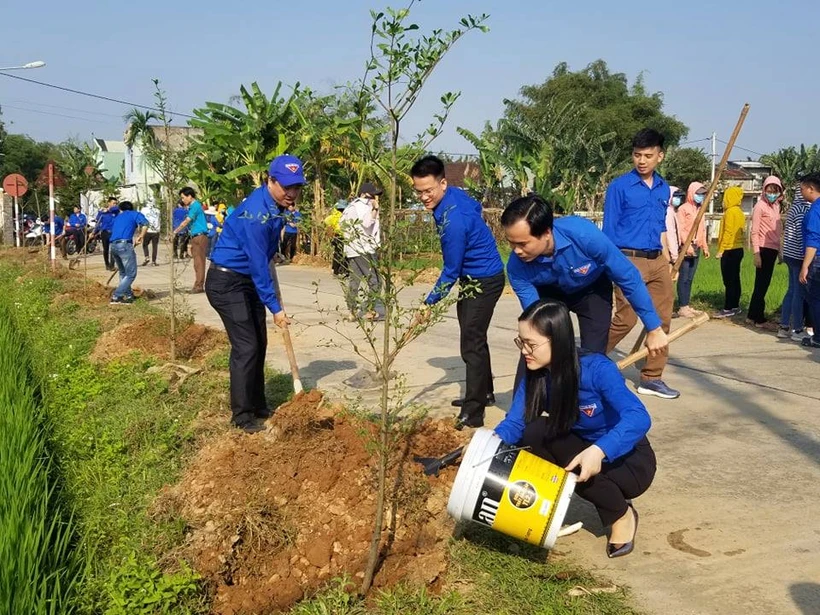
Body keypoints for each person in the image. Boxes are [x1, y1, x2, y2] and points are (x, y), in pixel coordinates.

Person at [494, 300, 655, 558]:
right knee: (533, 432)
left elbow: (638, 417)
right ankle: (539, 509)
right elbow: (515, 421)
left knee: (574, 457)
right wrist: (487, 445)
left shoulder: (597, 370)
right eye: (520, 342)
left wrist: (600, 450)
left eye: (531, 344)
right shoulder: (536, 373)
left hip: (629, 462)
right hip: (579, 447)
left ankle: (621, 515)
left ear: (557, 340)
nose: (524, 350)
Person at [206, 154, 306, 433]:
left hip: (245, 280)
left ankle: (259, 404)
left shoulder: (274, 205)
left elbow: (264, 257)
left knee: (259, 343)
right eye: (286, 186)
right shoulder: (257, 215)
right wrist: (275, 307)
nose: (292, 193)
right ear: (270, 181)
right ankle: (242, 415)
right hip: (226, 282)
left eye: (297, 187)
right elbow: (258, 264)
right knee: (246, 346)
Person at [502, 194, 667, 355]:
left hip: (592, 289)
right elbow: (535, 313)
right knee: (538, 349)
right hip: (549, 294)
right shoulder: (516, 267)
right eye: (511, 243)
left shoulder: (584, 236)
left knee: (593, 355)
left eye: (522, 244)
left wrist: (654, 328)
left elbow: (628, 277)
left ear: (546, 233)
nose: (516, 251)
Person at [410, 155, 505, 430]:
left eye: (429, 191)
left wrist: (428, 304)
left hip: (483, 281)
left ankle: (473, 412)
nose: (424, 197)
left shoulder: (454, 221)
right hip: (476, 277)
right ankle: (484, 392)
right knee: (475, 336)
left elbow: (450, 270)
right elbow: (475, 208)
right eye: (419, 191)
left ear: (442, 182)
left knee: (471, 344)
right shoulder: (454, 197)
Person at [603, 128, 679, 400]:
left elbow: (661, 226)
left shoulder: (662, 187)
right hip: (627, 259)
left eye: (648, 155)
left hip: (657, 259)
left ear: (660, 156)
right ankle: (589, 360)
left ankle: (652, 377)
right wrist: (610, 265)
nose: (642, 160)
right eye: (637, 155)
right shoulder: (619, 187)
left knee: (662, 320)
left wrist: (670, 259)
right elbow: (609, 230)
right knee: (626, 318)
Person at [747, 176, 784, 328]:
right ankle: (759, 319)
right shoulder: (760, 207)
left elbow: (778, 231)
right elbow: (754, 232)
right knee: (761, 285)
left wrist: (780, 251)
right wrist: (756, 253)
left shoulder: (776, 207)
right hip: (763, 248)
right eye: (769, 190)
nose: (772, 194)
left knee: (763, 284)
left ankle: (751, 316)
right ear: (764, 190)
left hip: (773, 249)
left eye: (775, 191)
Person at [777, 185, 811, 340]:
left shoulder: (794, 208)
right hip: (798, 256)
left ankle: (784, 326)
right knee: (799, 293)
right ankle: (797, 329)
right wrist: (807, 259)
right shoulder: (803, 211)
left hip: (790, 255)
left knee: (791, 291)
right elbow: (801, 237)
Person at [675, 182, 710, 318]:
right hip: (685, 248)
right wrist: (686, 246)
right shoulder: (683, 209)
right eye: (698, 193)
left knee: (690, 278)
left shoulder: (700, 209)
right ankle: (682, 306)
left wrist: (704, 246)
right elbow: (680, 229)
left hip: (697, 247)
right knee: (683, 277)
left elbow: (702, 230)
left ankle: (687, 305)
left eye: (702, 194)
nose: (700, 196)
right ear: (691, 193)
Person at [715, 186, 746, 318]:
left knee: (728, 280)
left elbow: (728, 232)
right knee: (735, 279)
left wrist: (721, 250)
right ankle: (735, 306)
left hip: (729, 250)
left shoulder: (730, 212)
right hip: (738, 249)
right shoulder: (739, 212)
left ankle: (728, 308)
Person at [108, 201, 148, 305]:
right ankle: (117, 296)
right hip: (124, 245)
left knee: (123, 272)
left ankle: (129, 295)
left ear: (121, 209)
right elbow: (145, 224)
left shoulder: (118, 217)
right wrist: (141, 236)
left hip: (113, 246)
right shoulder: (134, 214)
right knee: (131, 274)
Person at [798, 172, 820, 348]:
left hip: (817, 259)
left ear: (811, 189)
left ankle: (818, 337)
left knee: (815, 298)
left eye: (802, 188)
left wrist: (805, 266)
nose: (801, 191)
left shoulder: (814, 211)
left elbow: (813, 240)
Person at [173, 187, 209, 293]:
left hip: (200, 236)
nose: (183, 200)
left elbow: (186, 221)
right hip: (195, 236)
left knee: (199, 262)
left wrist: (175, 232)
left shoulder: (195, 206)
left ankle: (199, 286)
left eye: (183, 197)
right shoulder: (191, 207)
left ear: (190, 196)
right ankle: (198, 284)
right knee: (196, 262)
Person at [324, 199, 349, 277]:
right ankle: (343, 271)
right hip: (343, 236)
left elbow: (326, 221)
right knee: (344, 254)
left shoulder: (334, 215)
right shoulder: (346, 214)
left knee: (337, 253)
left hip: (337, 236)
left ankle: (336, 270)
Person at [95, 197, 119, 271]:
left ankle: (112, 265)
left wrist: (108, 210)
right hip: (105, 232)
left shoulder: (116, 211)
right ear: (109, 203)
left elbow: (116, 208)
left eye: (115, 203)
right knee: (106, 249)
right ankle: (107, 264)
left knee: (113, 249)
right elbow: (98, 220)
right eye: (113, 203)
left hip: (114, 232)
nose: (115, 205)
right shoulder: (102, 212)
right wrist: (95, 232)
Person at [665, 187, 684, 267]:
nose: (678, 199)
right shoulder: (668, 213)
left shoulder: (673, 211)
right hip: (669, 253)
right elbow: (670, 234)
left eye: (679, 197)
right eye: (675, 196)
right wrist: (674, 257)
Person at [140, 199, 161, 267]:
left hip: (147, 230)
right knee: (155, 246)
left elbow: (141, 218)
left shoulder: (143, 210)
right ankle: (154, 261)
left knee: (145, 244)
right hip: (156, 230)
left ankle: (147, 257)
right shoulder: (157, 210)